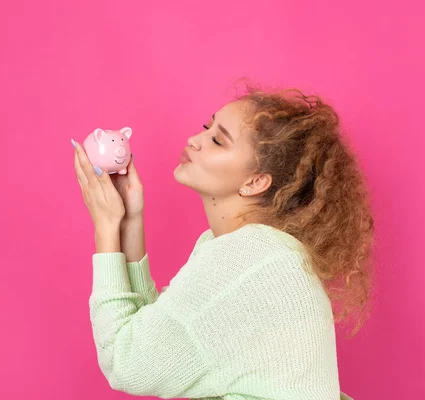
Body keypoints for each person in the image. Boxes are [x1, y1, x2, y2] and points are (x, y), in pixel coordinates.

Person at [71, 85, 374, 400]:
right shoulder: (257, 250)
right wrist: (130, 220)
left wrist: (105, 226)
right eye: (206, 127)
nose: (194, 140)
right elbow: (154, 334)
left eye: (217, 140)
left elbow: (126, 363)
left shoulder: (247, 258)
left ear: (255, 182)